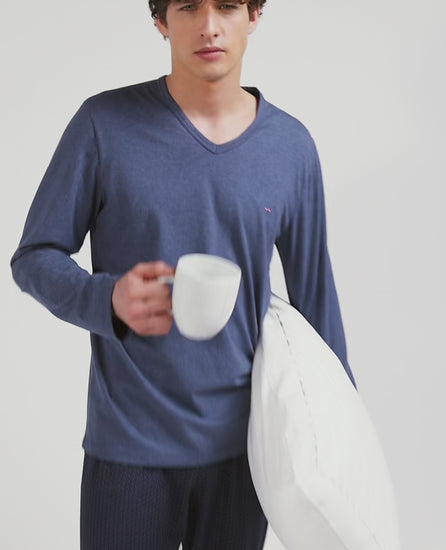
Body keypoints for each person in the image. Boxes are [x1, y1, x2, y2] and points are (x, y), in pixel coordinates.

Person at [11, 1, 356, 548]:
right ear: (161, 20)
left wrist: (344, 441)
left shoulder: (291, 148)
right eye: (190, 6)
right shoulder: (103, 126)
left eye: (228, 6)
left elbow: (317, 303)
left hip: (246, 456)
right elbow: (34, 256)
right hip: (128, 453)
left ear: (254, 15)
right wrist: (107, 299)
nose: (209, 26)